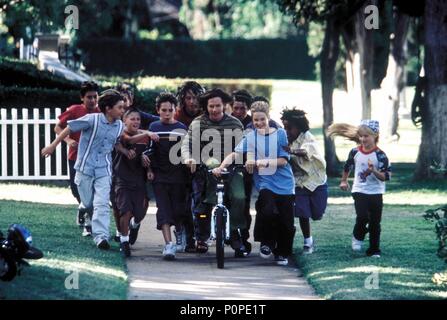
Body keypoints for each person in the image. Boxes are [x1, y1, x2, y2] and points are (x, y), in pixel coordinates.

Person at [213, 101, 295, 265]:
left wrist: (262, 162)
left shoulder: (280, 135)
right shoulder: (250, 137)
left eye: (262, 119)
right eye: (255, 120)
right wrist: (221, 167)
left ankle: (282, 253)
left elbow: (283, 161)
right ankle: (267, 243)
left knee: (286, 222)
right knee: (267, 211)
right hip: (266, 184)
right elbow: (235, 154)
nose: (258, 123)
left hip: (285, 184)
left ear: (268, 117)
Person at [42, 89, 125, 250]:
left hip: (104, 169)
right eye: (120, 107)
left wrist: (126, 150)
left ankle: (101, 237)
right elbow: (69, 128)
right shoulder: (91, 120)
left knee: (101, 203)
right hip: (85, 168)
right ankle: (82, 209)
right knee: (88, 203)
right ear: (108, 108)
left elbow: (115, 143)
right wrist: (53, 146)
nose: (123, 110)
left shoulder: (120, 126)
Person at [181, 88, 248, 257]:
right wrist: (189, 159)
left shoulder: (234, 123)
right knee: (202, 203)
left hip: (232, 169)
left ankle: (234, 234)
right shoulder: (198, 123)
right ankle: (202, 238)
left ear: (225, 105)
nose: (214, 110)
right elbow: (186, 145)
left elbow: (242, 150)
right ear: (206, 106)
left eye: (218, 106)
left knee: (239, 197)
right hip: (205, 169)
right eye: (211, 106)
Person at [328, 120, 391, 258]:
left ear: (375, 136)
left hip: (376, 192)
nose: (362, 139)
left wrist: (373, 170)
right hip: (359, 190)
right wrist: (344, 181)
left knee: (375, 222)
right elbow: (348, 166)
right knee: (362, 217)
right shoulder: (355, 151)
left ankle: (374, 250)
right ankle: (358, 236)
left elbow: (386, 176)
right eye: (361, 136)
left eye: (366, 136)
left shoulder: (381, 155)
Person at [146, 92, 188, 260]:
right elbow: (150, 151)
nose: (167, 113)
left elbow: (186, 151)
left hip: (178, 175)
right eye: (163, 110)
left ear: (174, 110)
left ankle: (179, 231)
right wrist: (149, 169)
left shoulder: (182, 128)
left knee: (178, 210)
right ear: (158, 110)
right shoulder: (153, 127)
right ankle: (168, 245)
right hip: (159, 174)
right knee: (163, 209)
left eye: (170, 110)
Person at [54, 81, 100, 234]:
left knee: (91, 190)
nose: (92, 100)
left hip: (94, 159)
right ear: (82, 98)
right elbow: (57, 127)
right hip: (75, 157)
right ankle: (82, 208)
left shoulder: (101, 112)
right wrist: (68, 140)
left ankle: (89, 224)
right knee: (76, 189)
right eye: (89, 97)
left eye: (95, 97)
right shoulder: (75, 110)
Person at [281, 108, 328, 254]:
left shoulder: (308, 137)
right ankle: (308, 241)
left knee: (317, 213)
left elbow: (306, 151)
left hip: (316, 181)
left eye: (290, 128)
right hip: (299, 182)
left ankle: (314, 219)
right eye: (285, 127)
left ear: (299, 127)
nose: (287, 131)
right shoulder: (286, 139)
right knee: (303, 213)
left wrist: (292, 151)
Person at [113, 109, 156, 257]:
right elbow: (128, 141)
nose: (136, 122)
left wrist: (148, 167)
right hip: (122, 179)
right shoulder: (120, 133)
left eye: (138, 119)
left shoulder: (144, 137)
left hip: (139, 179)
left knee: (140, 211)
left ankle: (135, 225)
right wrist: (148, 133)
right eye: (132, 119)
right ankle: (124, 242)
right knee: (125, 210)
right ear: (125, 121)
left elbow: (147, 153)